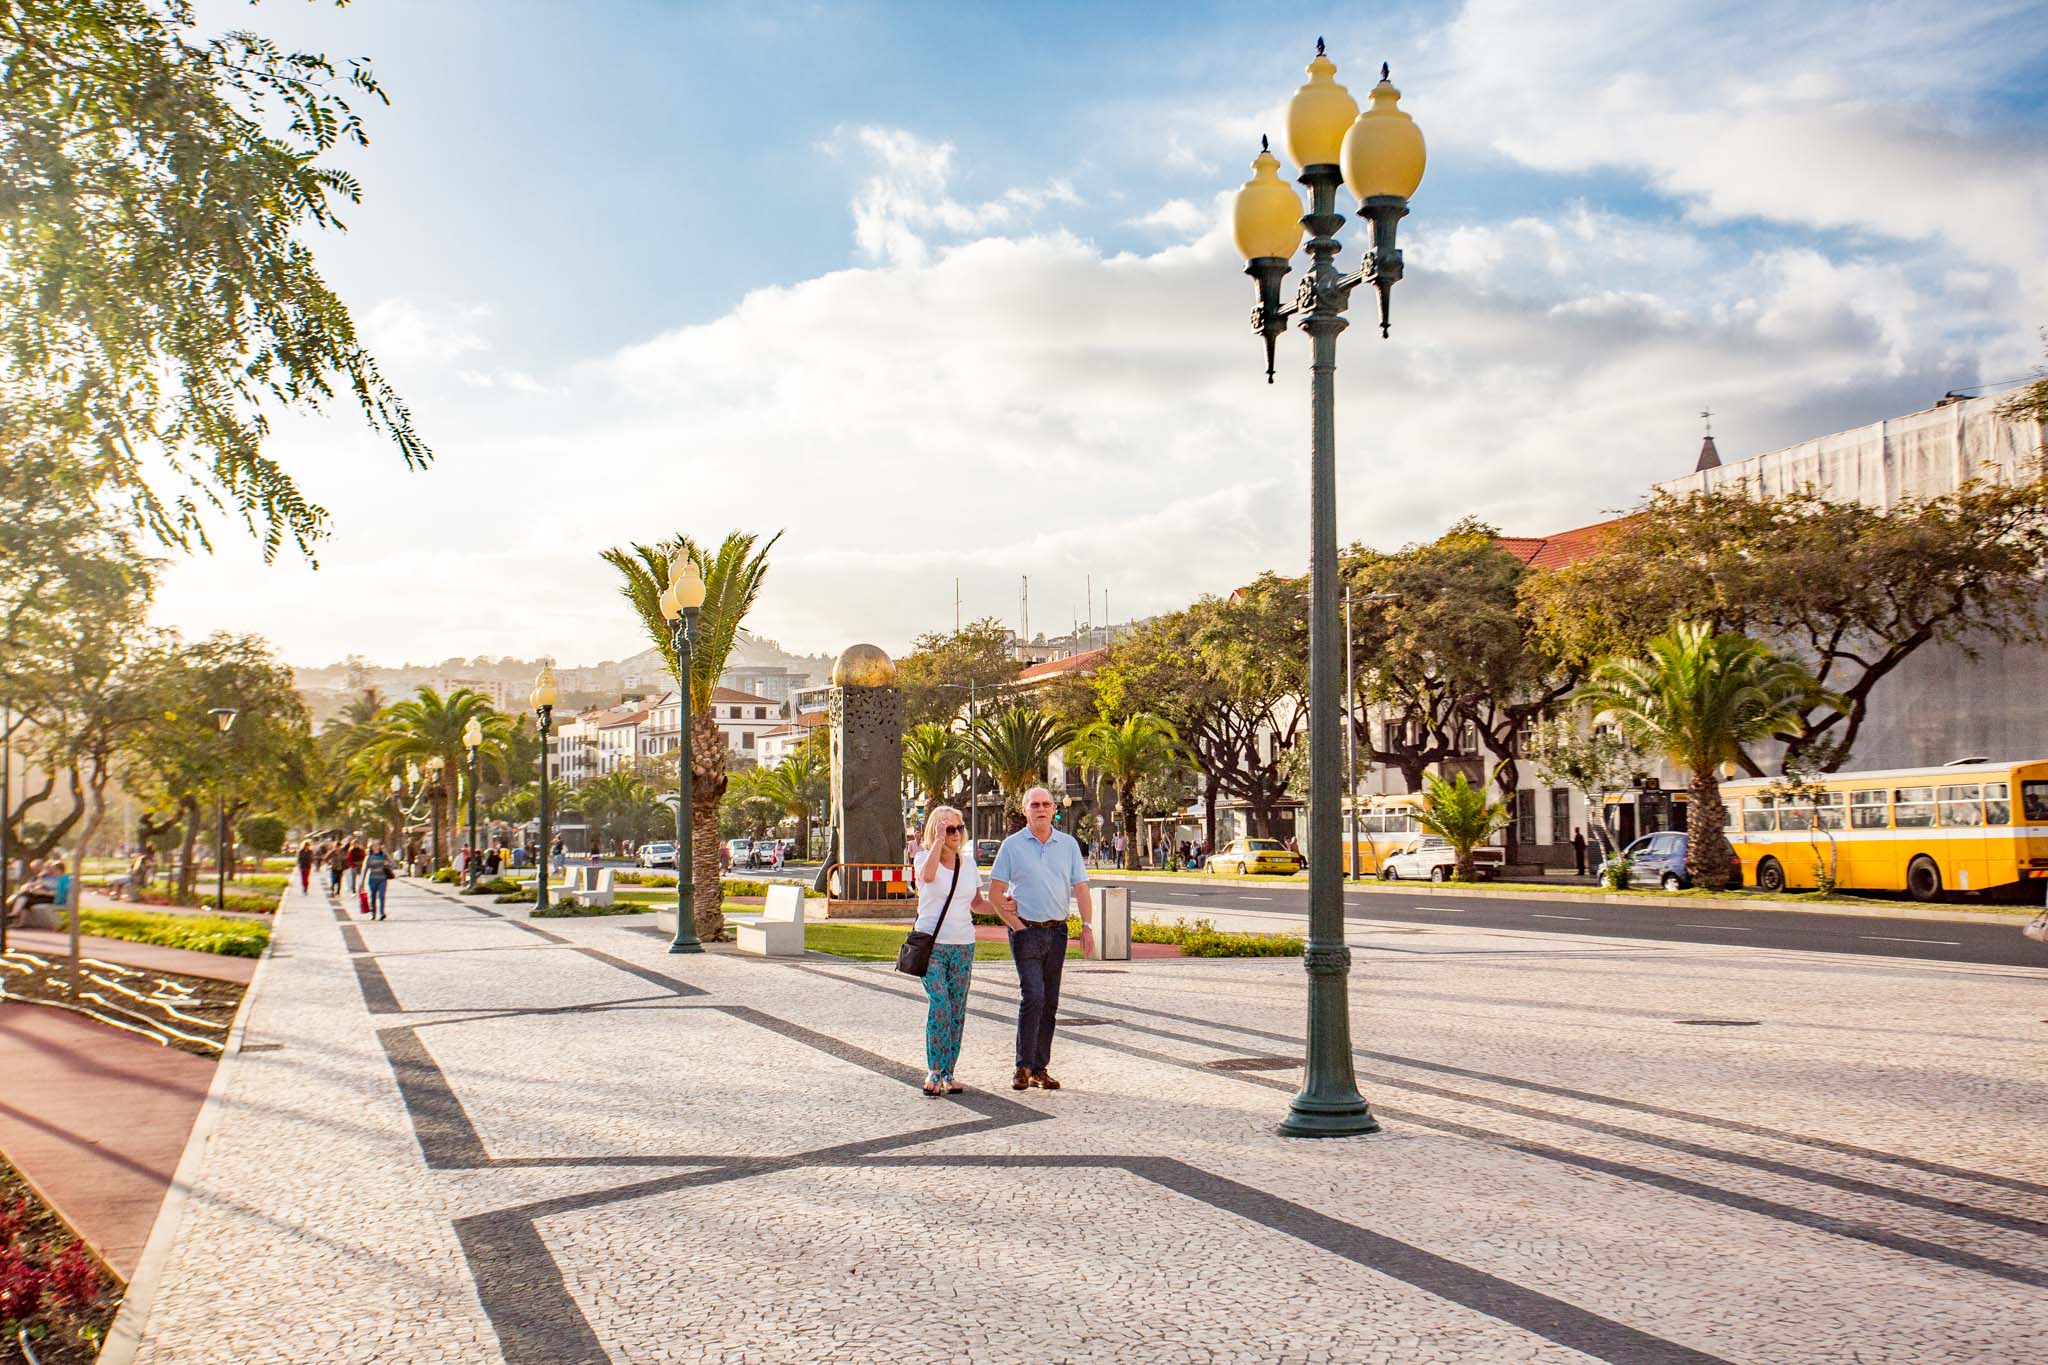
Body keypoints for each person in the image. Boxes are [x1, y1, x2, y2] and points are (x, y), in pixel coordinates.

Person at [989, 786, 1094, 1092]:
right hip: (1026, 931)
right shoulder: (1011, 846)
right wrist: (1016, 926)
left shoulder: (1068, 845)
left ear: (1053, 809)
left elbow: (1082, 888)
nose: (1041, 808)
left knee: (1050, 1002)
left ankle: (1039, 1068)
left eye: (1046, 804)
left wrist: (1086, 926)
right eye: (1034, 804)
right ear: (1025, 810)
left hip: (1057, 931)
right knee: (1032, 996)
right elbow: (995, 894)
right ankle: (1022, 1066)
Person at [911, 806, 994, 1097]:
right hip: (931, 945)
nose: (955, 834)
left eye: (958, 828)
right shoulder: (922, 858)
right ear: (936, 830)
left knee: (957, 1010)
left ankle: (949, 1072)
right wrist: (936, 842)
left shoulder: (968, 864)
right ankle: (934, 1069)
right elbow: (929, 876)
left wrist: (1005, 905)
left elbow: (977, 903)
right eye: (948, 829)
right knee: (941, 1003)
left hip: (963, 944)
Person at [363, 840, 393, 920]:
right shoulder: (369, 857)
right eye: (374, 845)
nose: (376, 847)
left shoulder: (384, 856)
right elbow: (365, 869)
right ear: (371, 847)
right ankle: (373, 913)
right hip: (372, 879)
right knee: (372, 897)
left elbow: (393, 864)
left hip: (382, 879)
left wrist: (387, 861)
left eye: (377, 845)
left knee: (381, 896)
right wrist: (361, 883)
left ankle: (381, 913)